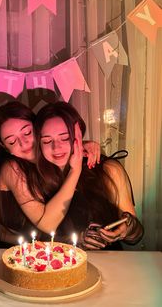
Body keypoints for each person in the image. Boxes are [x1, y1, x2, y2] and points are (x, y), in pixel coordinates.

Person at [0, 99, 100, 248]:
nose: (24, 143)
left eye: (27, 132)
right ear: (4, 147)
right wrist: (76, 170)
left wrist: (80, 143)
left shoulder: (47, 160)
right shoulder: (12, 168)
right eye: (12, 141)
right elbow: (48, 225)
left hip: (23, 251)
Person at [34, 101, 144, 250]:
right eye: (47, 141)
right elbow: (37, 239)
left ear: (78, 136)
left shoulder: (107, 170)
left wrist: (126, 228)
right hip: (55, 266)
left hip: (108, 264)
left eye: (65, 138)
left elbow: (136, 234)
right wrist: (77, 241)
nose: (56, 147)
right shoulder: (34, 175)